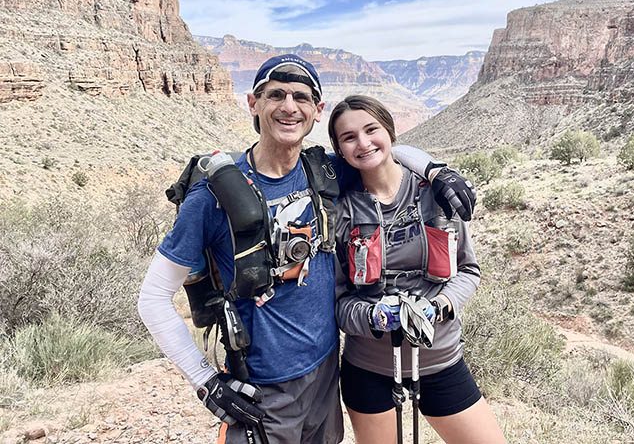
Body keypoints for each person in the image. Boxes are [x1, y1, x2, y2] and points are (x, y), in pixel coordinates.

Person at [137, 55, 476, 444]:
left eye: (301, 97)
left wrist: (435, 170)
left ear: (316, 111)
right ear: (253, 103)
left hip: (325, 379)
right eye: (275, 94)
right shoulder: (212, 196)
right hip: (262, 389)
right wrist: (206, 382)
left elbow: (379, 149)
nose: (288, 106)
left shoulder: (326, 173)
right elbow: (153, 298)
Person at [329, 94, 506, 444]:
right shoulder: (340, 211)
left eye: (371, 129)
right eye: (349, 137)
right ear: (339, 149)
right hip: (369, 367)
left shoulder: (437, 193)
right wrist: (373, 316)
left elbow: (468, 270)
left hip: (440, 360)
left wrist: (437, 306)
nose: (363, 143)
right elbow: (338, 303)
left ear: (390, 132)